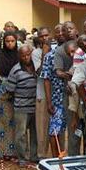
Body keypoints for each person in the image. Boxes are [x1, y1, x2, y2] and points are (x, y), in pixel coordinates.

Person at [42, 39, 77, 157]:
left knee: (75, 131)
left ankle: (74, 158)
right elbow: (46, 79)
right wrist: (49, 102)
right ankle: (56, 159)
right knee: (54, 131)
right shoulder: (50, 56)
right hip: (57, 99)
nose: (72, 55)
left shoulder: (81, 56)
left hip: (76, 100)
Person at [6, 44, 38, 166]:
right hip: (21, 107)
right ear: (19, 56)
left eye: (28, 55)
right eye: (23, 55)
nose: (26, 58)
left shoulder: (37, 67)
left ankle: (34, 156)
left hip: (35, 106)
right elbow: (10, 89)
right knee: (21, 133)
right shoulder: (15, 70)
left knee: (35, 133)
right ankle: (23, 158)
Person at [53, 21, 80, 155]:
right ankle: (73, 156)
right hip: (69, 92)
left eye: (71, 28)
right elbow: (57, 71)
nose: (68, 31)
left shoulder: (84, 44)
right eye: (65, 29)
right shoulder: (59, 50)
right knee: (73, 126)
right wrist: (69, 76)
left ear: (76, 30)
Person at [0, 32, 20, 159]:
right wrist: (8, 82)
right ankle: (3, 151)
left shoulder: (20, 55)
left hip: (20, 92)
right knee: (4, 122)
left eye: (12, 41)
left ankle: (16, 151)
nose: (10, 43)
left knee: (17, 122)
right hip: (3, 92)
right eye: (8, 41)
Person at [32, 26, 52, 158]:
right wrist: (45, 54)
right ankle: (42, 156)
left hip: (55, 94)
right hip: (42, 95)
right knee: (42, 127)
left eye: (46, 35)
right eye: (42, 36)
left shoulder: (56, 50)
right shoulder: (36, 53)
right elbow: (39, 73)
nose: (44, 38)